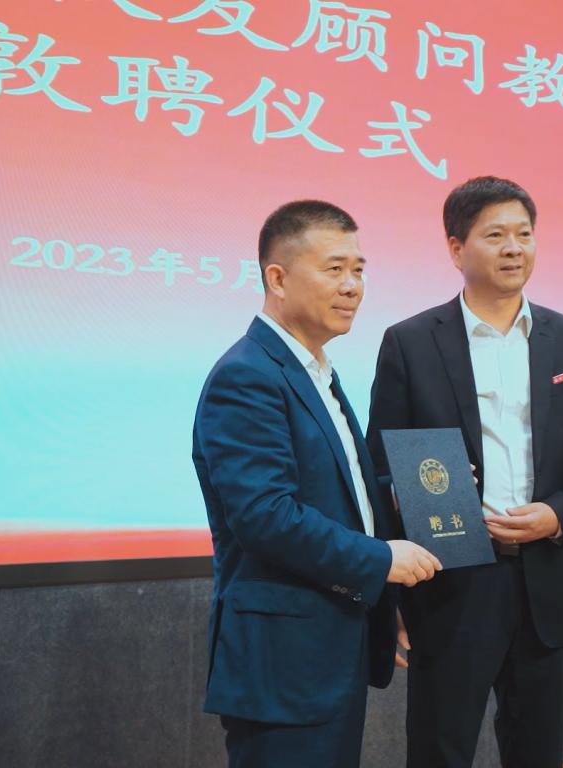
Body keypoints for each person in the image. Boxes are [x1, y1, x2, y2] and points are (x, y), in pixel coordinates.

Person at [368, 177, 563, 767]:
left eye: (524, 234)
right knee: (439, 750)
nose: (514, 248)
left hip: (546, 581)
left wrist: (558, 514)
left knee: (537, 750)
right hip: (450, 583)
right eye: (495, 235)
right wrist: (392, 593)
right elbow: (383, 467)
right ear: (456, 248)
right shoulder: (410, 343)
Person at [192, 200, 442, 768]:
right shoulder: (247, 375)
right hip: (284, 664)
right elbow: (265, 516)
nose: (352, 286)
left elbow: (338, 491)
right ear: (277, 279)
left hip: (330, 647)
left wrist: (406, 492)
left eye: (359, 269)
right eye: (334, 269)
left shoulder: (315, 370)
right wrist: (381, 559)